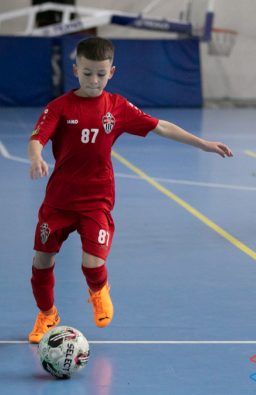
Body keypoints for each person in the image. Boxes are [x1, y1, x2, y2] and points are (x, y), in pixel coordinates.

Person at [26, 37, 233, 343]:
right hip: (58, 200)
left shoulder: (117, 107)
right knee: (41, 262)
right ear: (75, 70)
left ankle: (99, 290)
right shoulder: (59, 107)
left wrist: (203, 144)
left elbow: (161, 126)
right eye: (87, 73)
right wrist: (36, 157)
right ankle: (47, 315)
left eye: (100, 74)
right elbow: (37, 138)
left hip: (96, 200)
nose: (93, 80)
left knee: (92, 263)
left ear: (111, 72)